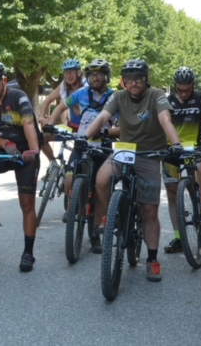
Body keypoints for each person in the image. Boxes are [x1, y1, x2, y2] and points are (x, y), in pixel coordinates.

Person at [84, 59, 182, 282]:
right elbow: (103, 117)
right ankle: (111, 216)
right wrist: (84, 137)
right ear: (123, 82)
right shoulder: (119, 96)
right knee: (102, 179)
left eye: (138, 79)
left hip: (149, 153)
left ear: (146, 80)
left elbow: (165, 119)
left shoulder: (156, 95)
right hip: (124, 150)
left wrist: (175, 144)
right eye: (129, 79)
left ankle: (152, 259)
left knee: (149, 210)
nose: (134, 83)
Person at [0, 61, 41, 272]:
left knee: (27, 203)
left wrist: (33, 149)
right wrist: (5, 143)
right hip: (5, 148)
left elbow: (29, 123)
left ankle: (28, 253)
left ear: (4, 80)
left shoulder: (18, 97)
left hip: (25, 152)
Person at [44, 58, 117, 238]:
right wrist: (50, 123)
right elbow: (60, 107)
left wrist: (109, 133)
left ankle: (95, 234)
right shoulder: (80, 93)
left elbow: (123, 124)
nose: (95, 78)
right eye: (92, 75)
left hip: (103, 147)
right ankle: (74, 206)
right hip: (81, 144)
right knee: (69, 178)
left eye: (99, 75)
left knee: (100, 189)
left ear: (107, 76)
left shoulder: (115, 97)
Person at [162, 67, 201, 253]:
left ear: (193, 86)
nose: (184, 93)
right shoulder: (168, 101)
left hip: (194, 149)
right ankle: (179, 237)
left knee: (198, 186)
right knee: (172, 192)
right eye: (180, 89)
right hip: (171, 150)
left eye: (187, 89)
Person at [39, 58, 87, 160]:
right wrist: (42, 117)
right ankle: (53, 163)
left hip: (87, 129)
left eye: (71, 72)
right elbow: (47, 100)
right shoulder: (64, 86)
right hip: (71, 127)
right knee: (41, 138)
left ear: (78, 73)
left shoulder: (87, 87)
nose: (68, 75)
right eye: (66, 73)